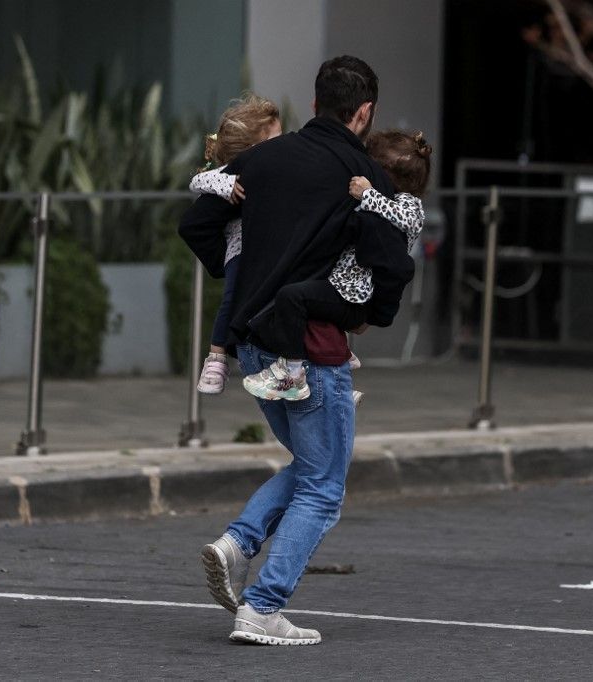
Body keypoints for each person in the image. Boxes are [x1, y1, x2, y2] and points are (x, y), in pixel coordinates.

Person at [178, 55, 415, 646]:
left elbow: (197, 224)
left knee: (313, 466)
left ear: (313, 105)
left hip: (256, 346)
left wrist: (240, 270)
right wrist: (367, 316)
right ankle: (262, 604)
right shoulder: (363, 175)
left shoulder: (258, 161)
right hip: (314, 347)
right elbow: (391, 263)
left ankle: (237, 544)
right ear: (364, 113)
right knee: (325, 485)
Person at [241, 129, 432, 402]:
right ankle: (335, 383)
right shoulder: (384, 201)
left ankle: (292, 374)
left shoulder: (410, 205)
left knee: (291, 298)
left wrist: (367, 193)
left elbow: (402, 218)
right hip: (344, 287)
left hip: (353, 295)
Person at [188, 94, 282, 395]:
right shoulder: (232, 174)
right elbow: (198, 181)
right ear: (250, 150)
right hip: (240, 247)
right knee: (232, 297)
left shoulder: (279, 169)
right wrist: (226, 184)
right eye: (276, 141)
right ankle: (216, 357)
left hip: (269, 247)